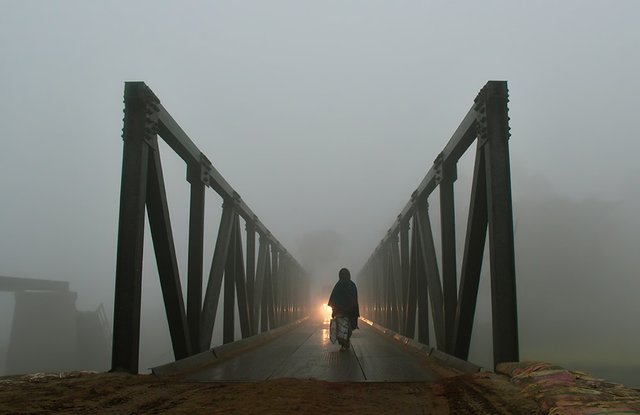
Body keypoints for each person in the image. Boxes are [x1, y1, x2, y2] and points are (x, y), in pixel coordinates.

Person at [328, 268, 360, 350]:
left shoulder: (339, 285)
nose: (344, 276)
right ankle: (344, 343)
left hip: (346, 311)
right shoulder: (351, 285)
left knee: (345, 328)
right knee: (343, 329)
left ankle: (345, 343)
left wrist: (334, 310)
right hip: (344, 311)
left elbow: (333, 299)